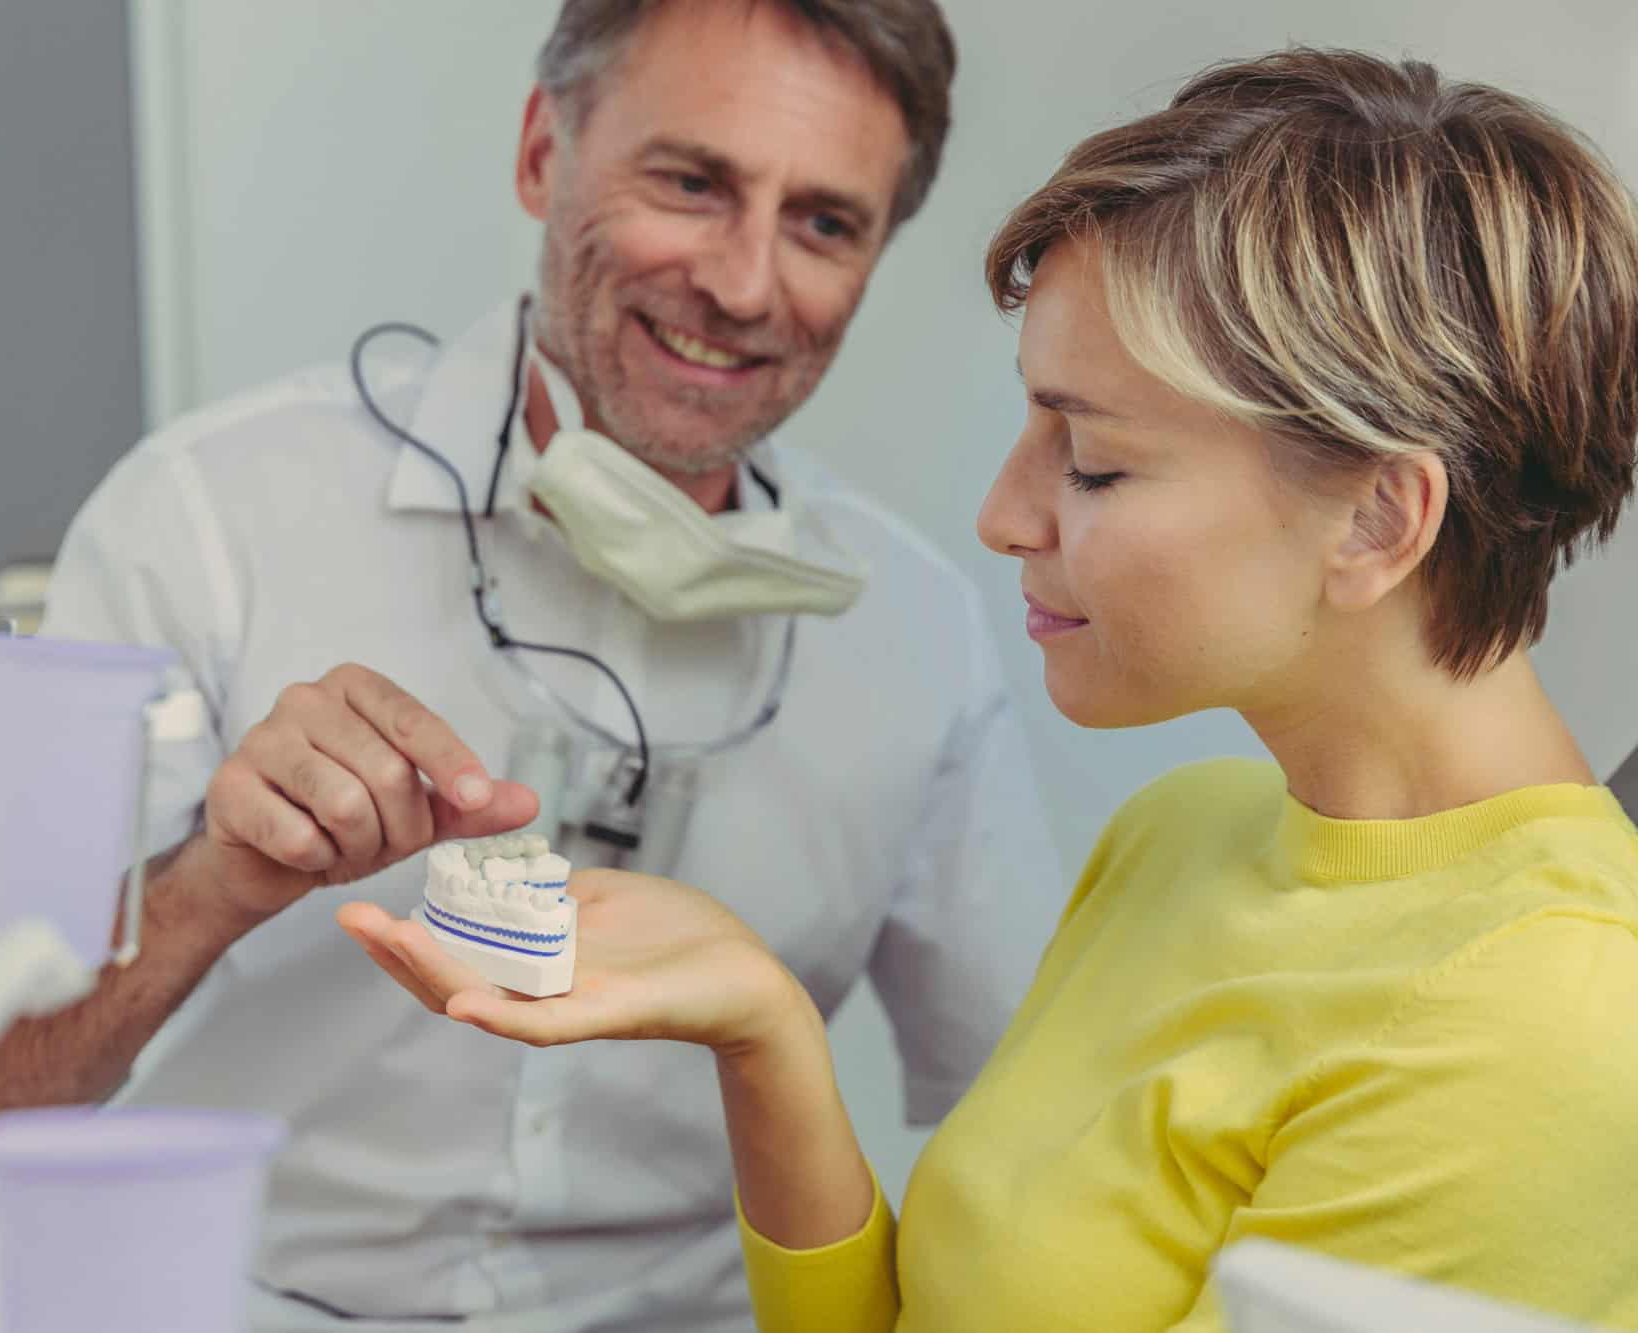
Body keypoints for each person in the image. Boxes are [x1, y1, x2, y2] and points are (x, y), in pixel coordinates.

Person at [340, 47, 1638, 1331]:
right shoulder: (1184, 833)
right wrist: (765, 1028)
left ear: (1376, 519)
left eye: (1094, 463)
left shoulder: (1542, 1022)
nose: (1002, 513)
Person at [0, 2, 1061, 1329]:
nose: (746, 283)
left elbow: (1035, 1132)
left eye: (825, 222)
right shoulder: (207, 518)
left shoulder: (918, 632)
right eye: (693, 183)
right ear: (545, 150)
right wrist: (212, 884)